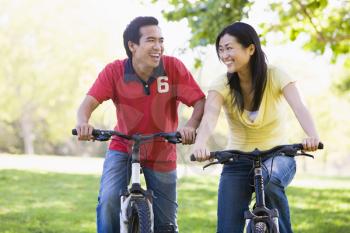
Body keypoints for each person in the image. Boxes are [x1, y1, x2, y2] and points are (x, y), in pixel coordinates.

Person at [75, 16, 205, 233]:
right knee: (109, 200)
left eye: (161, 40)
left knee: (166, 224)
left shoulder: (172, 67)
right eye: (151, 40)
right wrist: (83, 124)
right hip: (123, 146)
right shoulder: (115, 71)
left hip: (162, 149)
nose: (158, 47)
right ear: (132, 46)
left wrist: (191, 125)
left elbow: (200, 101)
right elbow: (86, 106)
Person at [191, 22, 321, 233]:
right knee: (227, 227)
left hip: (278, 155)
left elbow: (300, 107)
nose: (224, 55)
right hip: (237, 158)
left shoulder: (276, 75)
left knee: (270, 180)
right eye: (221, 50)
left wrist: (313, 136)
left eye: (229, 48)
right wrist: (200, 144)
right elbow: (209, 117)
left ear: (250, 49)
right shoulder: (221, 84)